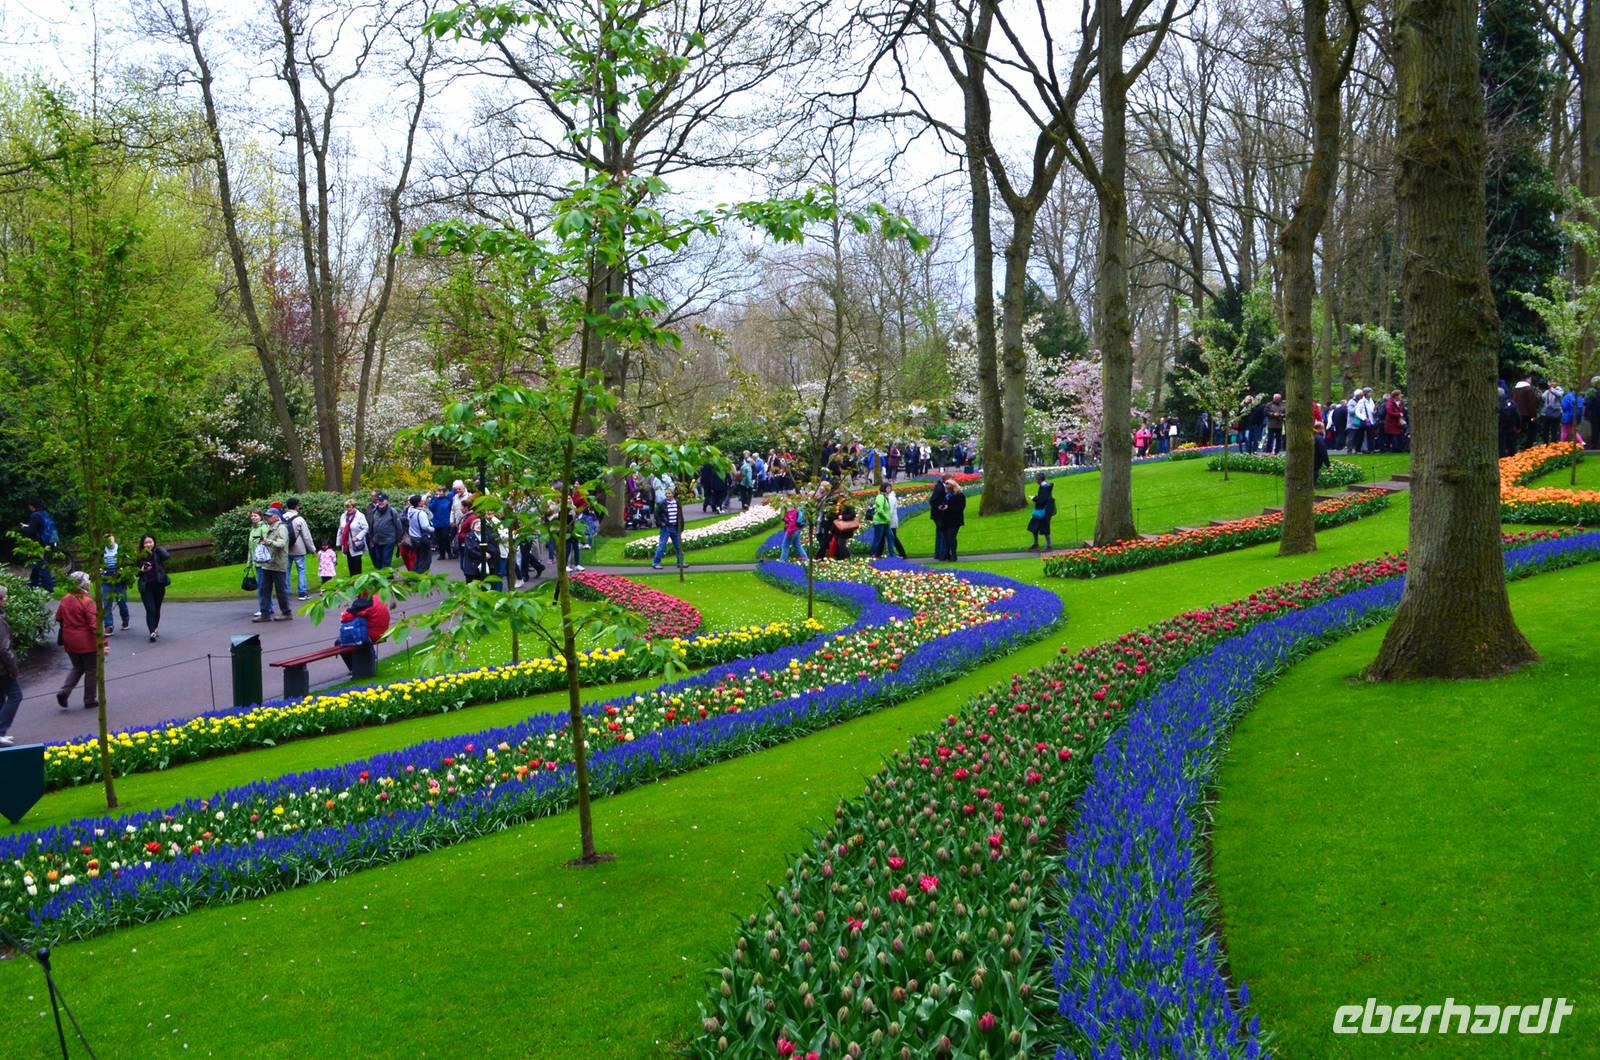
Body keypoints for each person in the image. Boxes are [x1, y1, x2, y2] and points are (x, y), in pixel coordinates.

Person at [55, 571, 99, 711]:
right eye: (88, 580)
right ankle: (89, 699)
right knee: (91, 669)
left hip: (69, 639)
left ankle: (64, 691)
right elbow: (94, 625)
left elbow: (58, 617)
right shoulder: (87, 601)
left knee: (77, 667)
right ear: (83, 583)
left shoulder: (65, 599)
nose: (89, 582)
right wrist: (103, 643)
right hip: (86, 641)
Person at [337, 590, 391, 676]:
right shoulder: (377, 597)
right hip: (383, 631)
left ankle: (354, 669)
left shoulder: (365, 602)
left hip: (371, 635)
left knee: (339, 642)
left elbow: (345, 618)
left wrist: (345, 614)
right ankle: (369, 659)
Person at [252, 510, 292, 622]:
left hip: (278, 564)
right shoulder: (270, 527)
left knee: (281, 590)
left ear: (276, 517)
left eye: (268, 516)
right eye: (265, 516)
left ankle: (286, 612)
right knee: (264, 590)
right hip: (268, 563)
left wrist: (268, 542)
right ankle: (265, 614)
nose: (266, 518)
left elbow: (282, 543)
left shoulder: (281, 528)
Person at [136, 534, 170, 642]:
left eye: (150, 542)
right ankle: (152, 632)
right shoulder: (139, 556)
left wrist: (158, 548)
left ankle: (154, 628)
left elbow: (167, 556)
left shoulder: (158, 552)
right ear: (142, 544)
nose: (148, 544)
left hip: (159, 585)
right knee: (150, 609)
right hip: (146, 586)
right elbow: (134, 571)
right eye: (146, 542)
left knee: (157, 608)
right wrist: (141, 570)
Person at [0, 584, 22, 744]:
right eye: (4, 597)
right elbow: (4, 648)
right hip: (2, 668)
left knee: (1, 698)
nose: (6, 600)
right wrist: (13, 668)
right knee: (15, 695)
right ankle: (1, 730)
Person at [20, 500, 58, 591]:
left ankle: (49, 588)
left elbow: (31, 531)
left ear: (31, 506)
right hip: (48, 543)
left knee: (41, 564)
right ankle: (33, 584)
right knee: (37, 564)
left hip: (39, 544)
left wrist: (23, 528)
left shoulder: (35, 516)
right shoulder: (44, 514)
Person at [100, 533, 130, 635]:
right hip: (106, 579)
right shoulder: (101, 551)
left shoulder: (120, 549)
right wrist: (100, 569)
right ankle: (108, 625)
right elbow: (98, 564)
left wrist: (123, 570)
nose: (109, 541)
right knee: (107, 603)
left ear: (114, 538)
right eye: (106, 540)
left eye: (110, 539)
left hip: (119, 580)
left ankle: (125, 618)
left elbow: (127, 563)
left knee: (122, 602)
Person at [366, 493, 405, 569]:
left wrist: (398, 540)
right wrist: (371, 539)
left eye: (382, 500)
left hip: (389, 540)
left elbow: (398, 526)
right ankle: (381, 576)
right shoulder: (374, 511)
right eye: (379, 500)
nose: (380, 502)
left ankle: (388, 577)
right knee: (379, 560)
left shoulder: (392, 511)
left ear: (386, 501)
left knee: (386, 560)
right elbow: (371, 526)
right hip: (377, 540)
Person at [652, 486, 685, 570]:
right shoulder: (661, 504)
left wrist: (681, 527)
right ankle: (656, 563)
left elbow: (680, 515)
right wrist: (661, 524)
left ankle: (680, 562)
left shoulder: (677, 503)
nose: (668, 495)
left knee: (678, 546)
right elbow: (656, 515)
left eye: (669, 493)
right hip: (666, 528)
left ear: (673, 494)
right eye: (666, 493)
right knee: (662, 545)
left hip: (675, 527)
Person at [937, 478, 966, 561]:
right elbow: (943, 503)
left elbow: (960, 508)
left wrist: (948, 508)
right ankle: (947, 554)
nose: (946, 486)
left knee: (951, 537)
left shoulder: (959, 496)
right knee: (946, 538)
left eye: (948, 484)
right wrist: (942, 507)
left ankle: (953, 554)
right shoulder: (947, 495)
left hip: (955, 520)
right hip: (946, 520)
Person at [338, 499, 369, 576]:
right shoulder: (343, 516)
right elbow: (341, 529)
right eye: (347, 507)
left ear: (354, 507)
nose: (348, 509)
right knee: (350, 565)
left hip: (356, 544)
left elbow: (366, 528)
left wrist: (358, 537)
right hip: (347, 544)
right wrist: (339, 542)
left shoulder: (360, 516)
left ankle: (359, 583)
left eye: (350, 507)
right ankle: (352, 583)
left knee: (357, 565)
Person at [406, 493, 435, 574]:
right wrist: (432, 529)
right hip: (422, 539)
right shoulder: (421, 513)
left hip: (414, 538)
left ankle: (414, 575)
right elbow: (425, 526)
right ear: (419, 503)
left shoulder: (410, 511)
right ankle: (421, 576)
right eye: (422, 500)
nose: (423, 501)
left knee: (418, 558)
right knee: (426, 559)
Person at [1027, 474, 1056, 551]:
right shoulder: (1045, 486)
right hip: (1043, 510)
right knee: (1034, 526)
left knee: (1045, 527)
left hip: (1045, 510)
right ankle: (1036, 544)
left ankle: (1049, 546)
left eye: (1036, 479)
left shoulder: (1044, 488)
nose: (1036, 481)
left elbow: (1042, 500)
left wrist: (1034, 498)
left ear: (1039, 480)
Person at [429, 487, 455, 560]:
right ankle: (442, 554)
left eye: (441, 491)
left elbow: (451, 510)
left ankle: (449, 553)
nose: (439, 493)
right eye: (438, 491)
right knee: (439, 539)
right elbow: (431, 508)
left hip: (446, 522)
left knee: (445, 538)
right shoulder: (434, 499)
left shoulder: (448, 500)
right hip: (437, 522)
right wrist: (435, 499)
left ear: (444, 492)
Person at [869, 483, 893, 557]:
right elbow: (880, 510)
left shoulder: (885, 497)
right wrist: (887, 518)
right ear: (884, 488)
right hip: (879, 522)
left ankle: (892, 554)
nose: (889, 489)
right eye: (888, 488)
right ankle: (872, 554)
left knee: (891, 537)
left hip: (885, 522)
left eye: (890, 488)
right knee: (877, 539)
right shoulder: (880, 497)